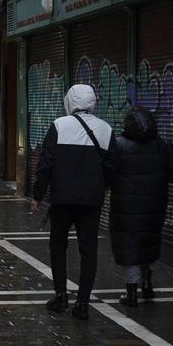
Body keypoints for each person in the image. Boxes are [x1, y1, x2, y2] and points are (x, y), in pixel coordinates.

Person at [33, 84, 116, 320]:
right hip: (91, 200)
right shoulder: (105, 129)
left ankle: (60, 296)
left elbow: (45, 164)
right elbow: (111, 166)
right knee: (88, 249)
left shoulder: (59, 126)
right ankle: (83, 303)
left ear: (69, 101)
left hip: (62, 199)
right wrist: (101, 186)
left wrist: (37, 195)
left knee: (58, 245)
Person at [109, 107, 173, 307]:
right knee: (148, 241)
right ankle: (148, 283)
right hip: (154, 204)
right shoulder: (162, 145)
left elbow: (107, 173)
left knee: (129, 244)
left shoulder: (119, 145)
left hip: (125, 207)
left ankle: (131, 292)